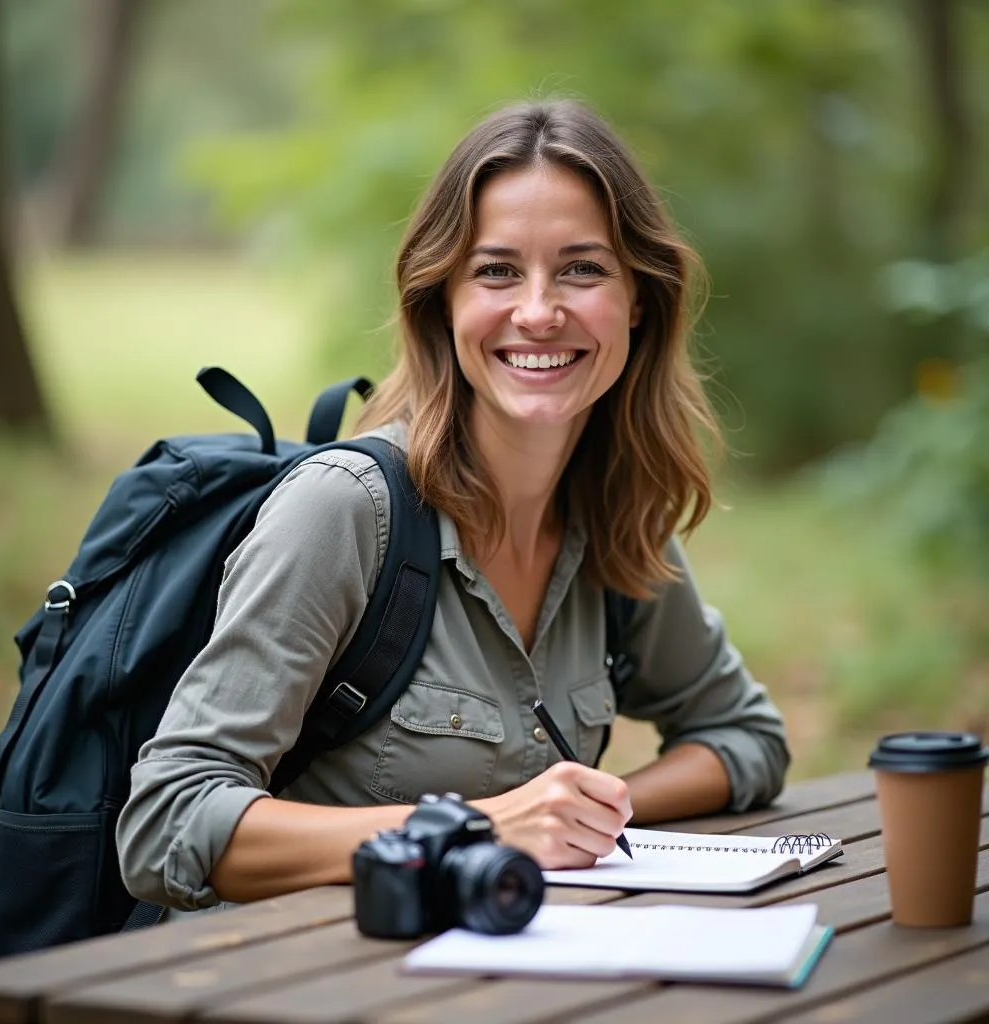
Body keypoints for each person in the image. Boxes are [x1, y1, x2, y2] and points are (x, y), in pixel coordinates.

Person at [116, 99, 790, 913]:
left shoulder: (613, 518)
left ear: (639, 299)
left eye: (582, 268)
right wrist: (478, 829)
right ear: (442, 300)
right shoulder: (346, 512)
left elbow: (746, 737)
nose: (538, 311)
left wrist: (587, 813)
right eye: (497, 271)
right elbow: (167, 821)